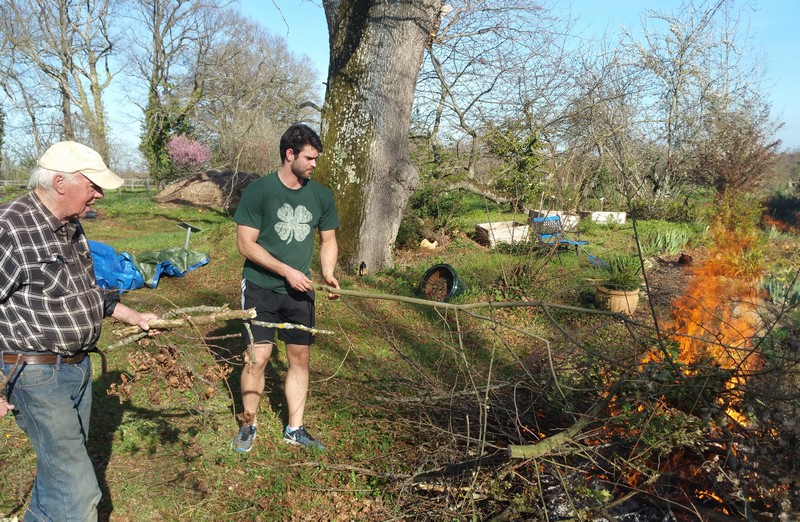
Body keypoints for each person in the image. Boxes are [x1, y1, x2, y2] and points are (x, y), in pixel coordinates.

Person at [0, 141, 158, 521]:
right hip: (34, 372)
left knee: (59, 475)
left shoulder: (71, 227)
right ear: (60, 182)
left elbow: (86, 291)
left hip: (76, 368)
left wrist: (131, 315)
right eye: (93, 185)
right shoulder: (10, 229)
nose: (99, 195)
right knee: (79, 491)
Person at [232, 124, 339, 452]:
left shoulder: (321, 195)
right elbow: (244, 244)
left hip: (300, 292)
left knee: (299, 358)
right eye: (309, 157)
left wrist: (328, 272)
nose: (314, 164)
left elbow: (329, 240)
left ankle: (295, 428)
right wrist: (285, 271)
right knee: (258, 357)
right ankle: (248, 424)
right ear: (289, 154)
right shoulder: (259, 191)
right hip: (261, 287)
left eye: (316, 158)